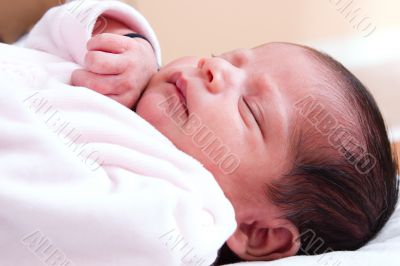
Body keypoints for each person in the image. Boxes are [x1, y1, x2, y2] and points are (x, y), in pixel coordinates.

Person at [1, 0, 398, 265]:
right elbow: (48, 34)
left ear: (258, 233)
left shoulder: (177, 221)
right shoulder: (121, 90)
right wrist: (126, 42)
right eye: (227, 58)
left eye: (249, 110)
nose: (214, 68)